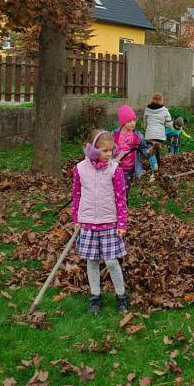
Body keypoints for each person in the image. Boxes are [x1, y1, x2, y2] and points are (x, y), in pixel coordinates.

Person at [71, 130, 129, 314]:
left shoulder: (114, 169)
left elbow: (121, 198)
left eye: (111, 150)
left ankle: (121, 296)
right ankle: (95, 296)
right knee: (92, 262)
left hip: (109, 223)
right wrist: (76, 218)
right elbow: (76, 195)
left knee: (111, 261)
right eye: (104, 150)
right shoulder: (80, 169)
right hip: (87, 223)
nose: (109, 154)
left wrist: (121, 224)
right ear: (93, 150)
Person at [113, 104, 151, 196]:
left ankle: (123, 205)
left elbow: (145, 151)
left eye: (134, 120)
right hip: (116, 168)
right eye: (129, 121)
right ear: (123, 122)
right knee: (115, 191)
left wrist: (152, 150)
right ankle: (118, 206)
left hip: (129, 170)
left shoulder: (137, 136)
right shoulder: (115, 135)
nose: (133, 123)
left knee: (125, 190)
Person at [143, 93, 173, 172]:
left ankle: (153, 166)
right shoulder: (165, 110)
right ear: (161, 101)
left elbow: (145, 121)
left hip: (149, 134)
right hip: (159, 135)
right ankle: (158, 167)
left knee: (151, 150)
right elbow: (169, 124)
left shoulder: (147, 109)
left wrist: (146, 127)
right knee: (157, 151)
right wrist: (165, 127)